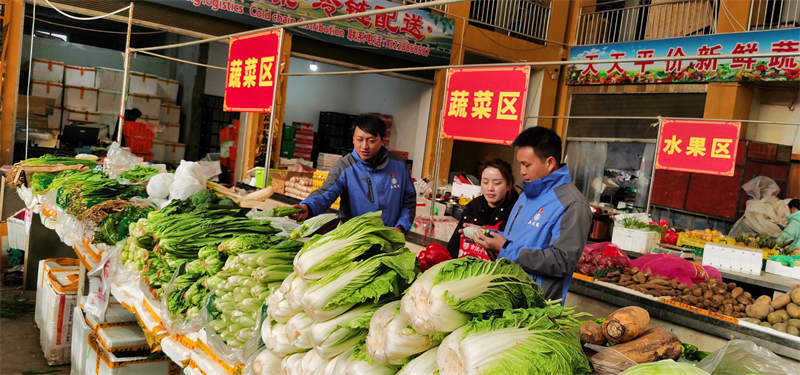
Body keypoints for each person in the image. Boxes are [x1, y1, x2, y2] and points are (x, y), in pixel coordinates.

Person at [471, 127, 592, 301]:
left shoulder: (573, 204)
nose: (521, 171)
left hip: (536, 307)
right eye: (520, 164)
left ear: (549, 163)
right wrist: (489, 237)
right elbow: (515, 243)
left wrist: (505, 247)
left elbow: (562, 262)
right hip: (507, 294)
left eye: (526, 164)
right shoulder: (526, 194)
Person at [291, 115, 416, 232]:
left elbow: (408, 201)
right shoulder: (345, 167)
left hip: (389, 240)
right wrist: (307, 206)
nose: (364, 146)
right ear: (353, 139)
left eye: (371, 141)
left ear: (382, 141)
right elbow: (325, 194)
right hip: (353, 240)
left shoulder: (398, 165)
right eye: (359, 139)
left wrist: (401, 227)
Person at [447, 158, 519, 259]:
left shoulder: (517, 210)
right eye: (485, 182)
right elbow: (454, 245)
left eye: (497, 183)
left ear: (509, 185)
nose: (490, 188)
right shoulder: (474, 205)